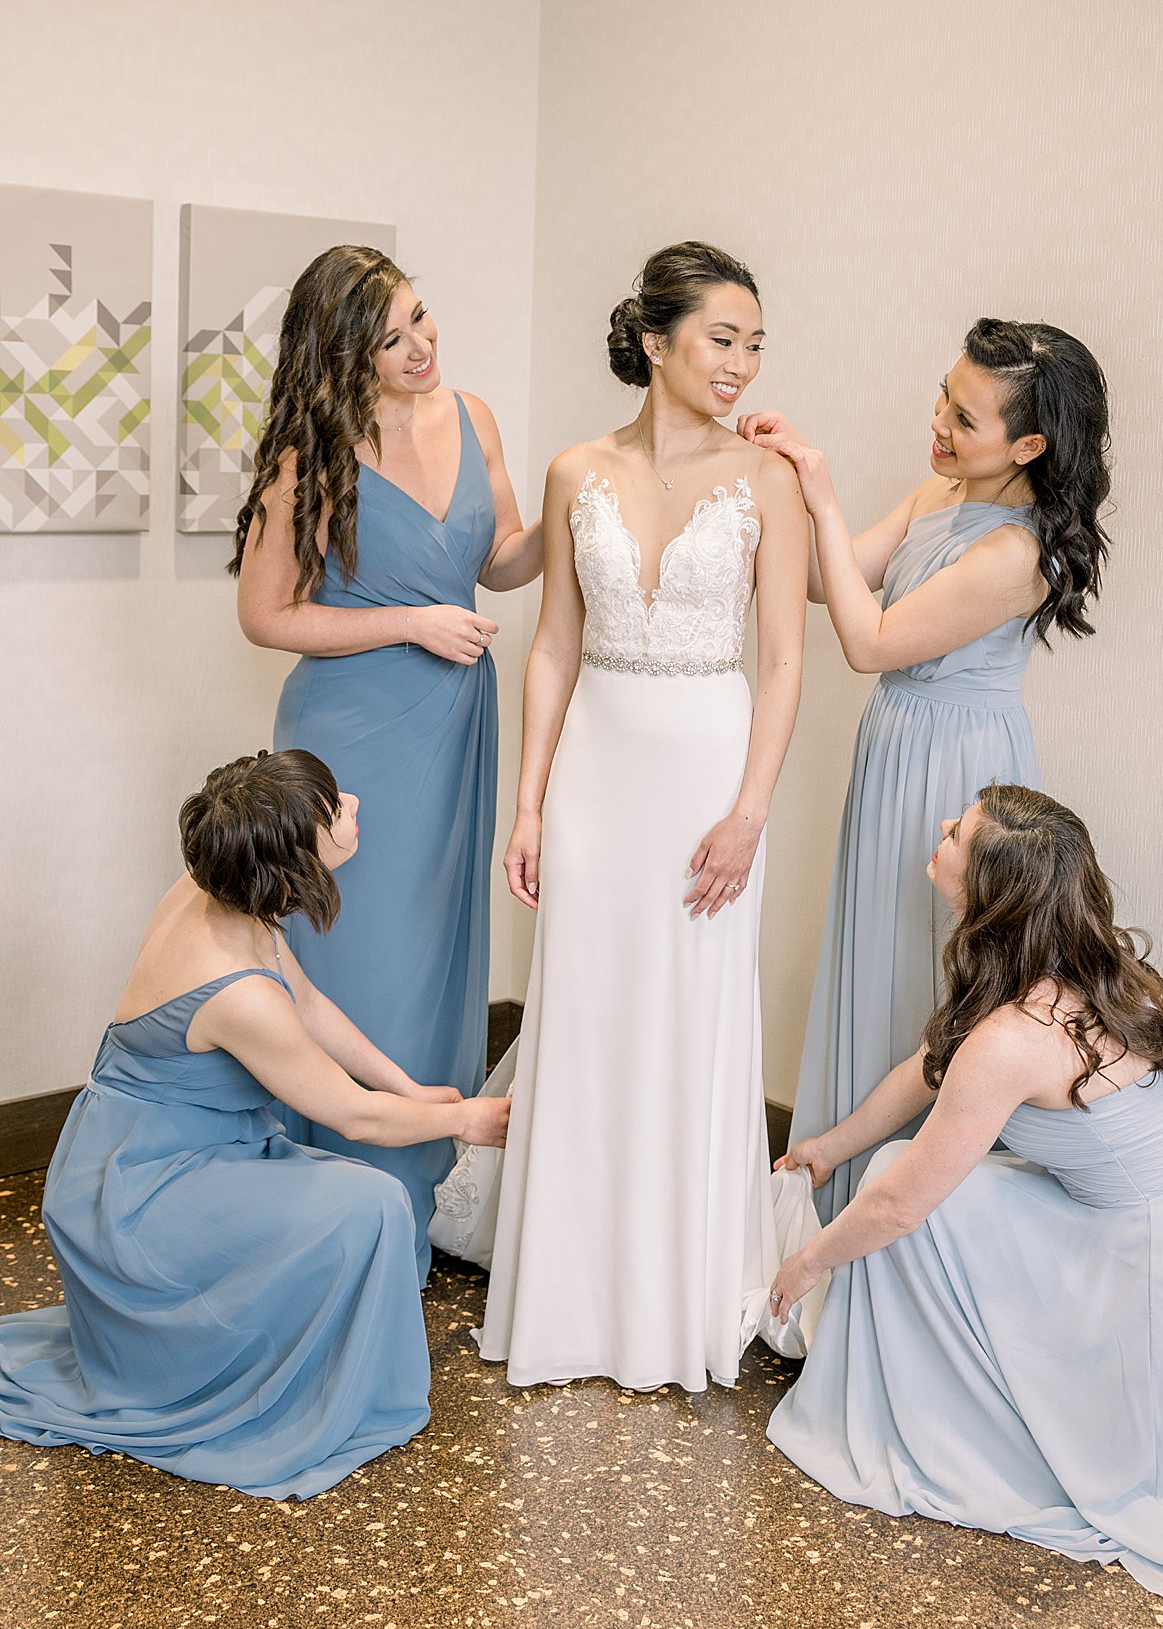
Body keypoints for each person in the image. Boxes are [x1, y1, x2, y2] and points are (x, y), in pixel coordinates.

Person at [764, 784, 1163, 1626]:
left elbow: (900, 1206)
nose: (939, 830)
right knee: (891, 1171)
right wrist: (829, 1145)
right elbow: (928, 1067)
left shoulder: (1014, 1037)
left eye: (958, 835)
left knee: (891, 1198)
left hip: (1159, 1264)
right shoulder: (1079, 966)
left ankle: (951, 1418)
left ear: (989, 893)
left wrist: (807, 1259)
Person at [431, 240, 823, 1390]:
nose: (742, 363)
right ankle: (572, 1295)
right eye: (722, 338)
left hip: (708, 765)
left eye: (755, 342)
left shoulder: (768, 482)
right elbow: (552, 644)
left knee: (688, 1008)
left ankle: (675, 1299)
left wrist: (751, 806)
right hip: (598, 766)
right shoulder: (573, 470)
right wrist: (531, 802)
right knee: (590, 1008)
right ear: (655, 342)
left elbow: (788, 660)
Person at [0, 751, 509, 1501]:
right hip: (139, 1192)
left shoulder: (225, 893)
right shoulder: (234, 993)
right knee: (367, 1201)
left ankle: (281, 1354)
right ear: (294, 858)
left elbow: (307, 1004)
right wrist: (465, 1118)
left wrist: (411, 1087)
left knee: (345, 1193)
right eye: (334, 809)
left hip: (146, 1152)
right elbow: (352, 1116)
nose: (354, 803)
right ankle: (266, 1385)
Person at [741, 318, 1110, 1218]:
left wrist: (820, 495)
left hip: (956, 763)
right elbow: (834, 583)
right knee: (874, 948)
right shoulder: (936, 493)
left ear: (1030, 444)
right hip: (894, 746)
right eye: (943, 396)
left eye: (966, 416)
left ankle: (899, 1224)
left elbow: (866, 643)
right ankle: (826, 1199)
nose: (940, 421)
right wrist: (778, 483)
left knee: (933, 972)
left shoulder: (1018, 552)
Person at [232, 245, 541, 1278]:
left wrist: (580, 514)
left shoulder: (475, 415)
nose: (419, 347)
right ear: (339, 354)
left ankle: (406, 1204)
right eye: (390, 337)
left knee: (431, 951)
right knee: (351, 957)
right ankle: (325, 1216)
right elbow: (265, 615)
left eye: (421, 318)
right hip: (352, 730)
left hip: (455, 723)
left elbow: (494, 556)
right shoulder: (307, 458)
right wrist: (408, 620)